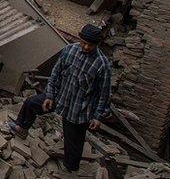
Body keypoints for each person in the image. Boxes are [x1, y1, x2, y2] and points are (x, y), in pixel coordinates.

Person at [6, 24, 112, 173]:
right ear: (79, 38)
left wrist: (98, 116)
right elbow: (55, 74)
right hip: (60, 97)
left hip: (79, 108)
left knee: (74, 142)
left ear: (97, 45)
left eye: (91, 45)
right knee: (31, 103)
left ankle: (70, 169)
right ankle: (21, 128)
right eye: (84, 43)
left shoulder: (102, 64)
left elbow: (104, 93)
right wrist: (50, 95)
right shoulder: (70, 50)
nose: (86, 47)